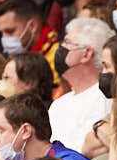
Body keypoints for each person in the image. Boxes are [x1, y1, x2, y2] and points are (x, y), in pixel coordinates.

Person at [48, 17, 113, 151]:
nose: (60, 48)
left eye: (67, 42)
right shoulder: (58, 104)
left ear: (86, 54)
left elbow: (83, 150)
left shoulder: (103, 98)